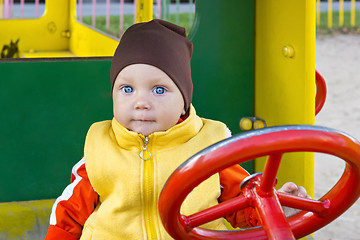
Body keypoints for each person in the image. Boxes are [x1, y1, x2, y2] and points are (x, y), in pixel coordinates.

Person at [44, 19, 310, 240]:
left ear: (184, 101)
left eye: (159, 90)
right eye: (127, 89)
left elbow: (242, 202)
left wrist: (275, 206)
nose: (141, 103)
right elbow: (69, 213)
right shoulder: (100, 149)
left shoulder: (210, 146)